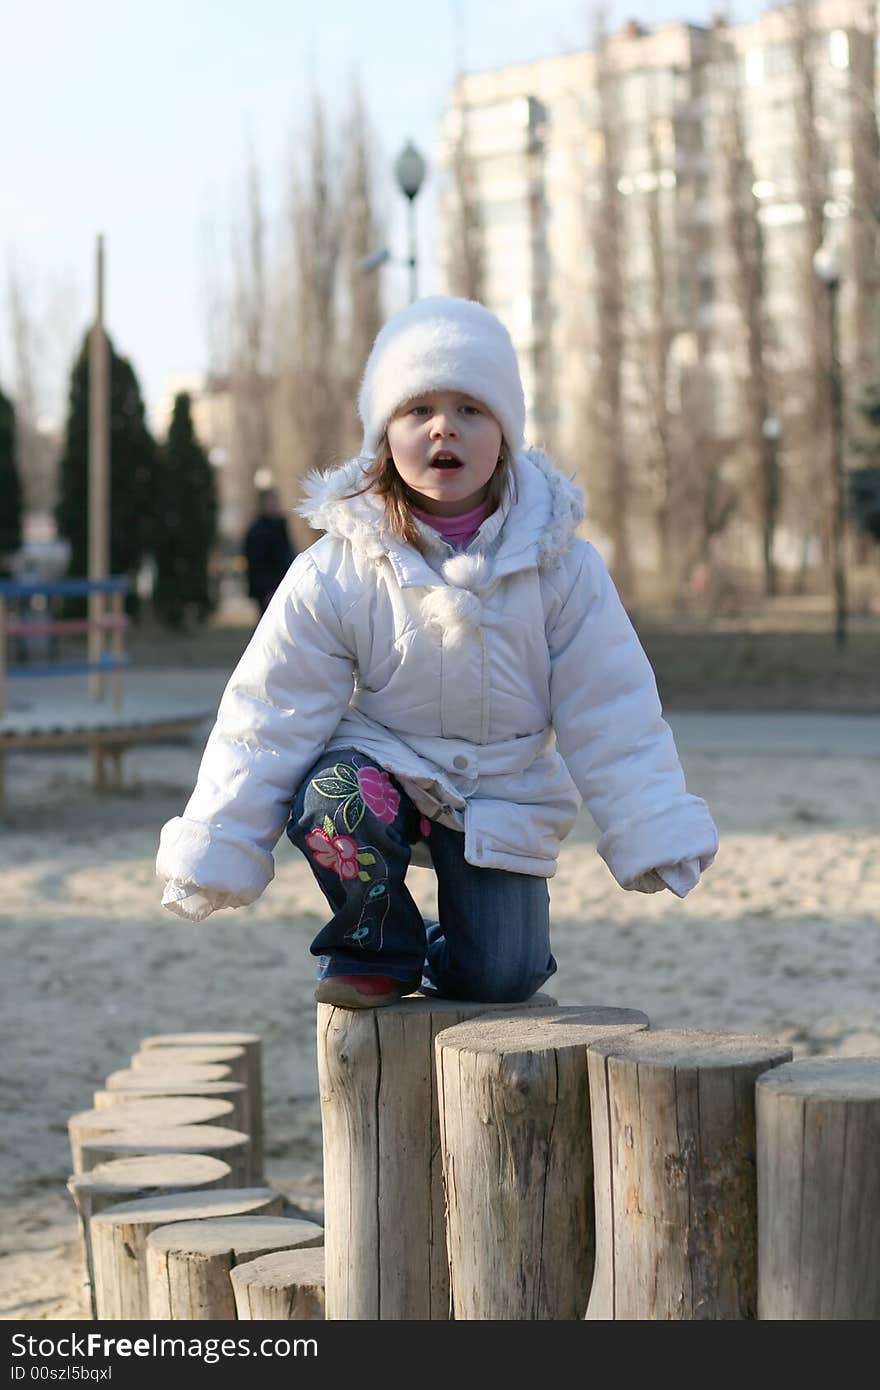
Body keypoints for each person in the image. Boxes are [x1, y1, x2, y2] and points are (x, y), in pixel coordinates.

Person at [157, 296, 718, 1010]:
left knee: (501, 979)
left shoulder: (562, 568)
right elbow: (271, 711)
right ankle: (376, 942)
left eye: (471, 410)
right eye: (418, 409)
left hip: (499, 790)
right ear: (384, 435)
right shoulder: (339, 568)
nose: (443, 426)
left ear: (507, 434)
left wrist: (652, 823)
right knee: (334, 794)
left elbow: (611, 708)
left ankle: (451, 948)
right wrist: (220, 841)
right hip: (382, 772)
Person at [243, 488, 295, 616]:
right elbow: (257, 565)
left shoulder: (280, 526)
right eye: (271, 502)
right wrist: (266, 590)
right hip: (267, 589)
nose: (275, 505)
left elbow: (286, 555)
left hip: (284, 583)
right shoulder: (257, 531)